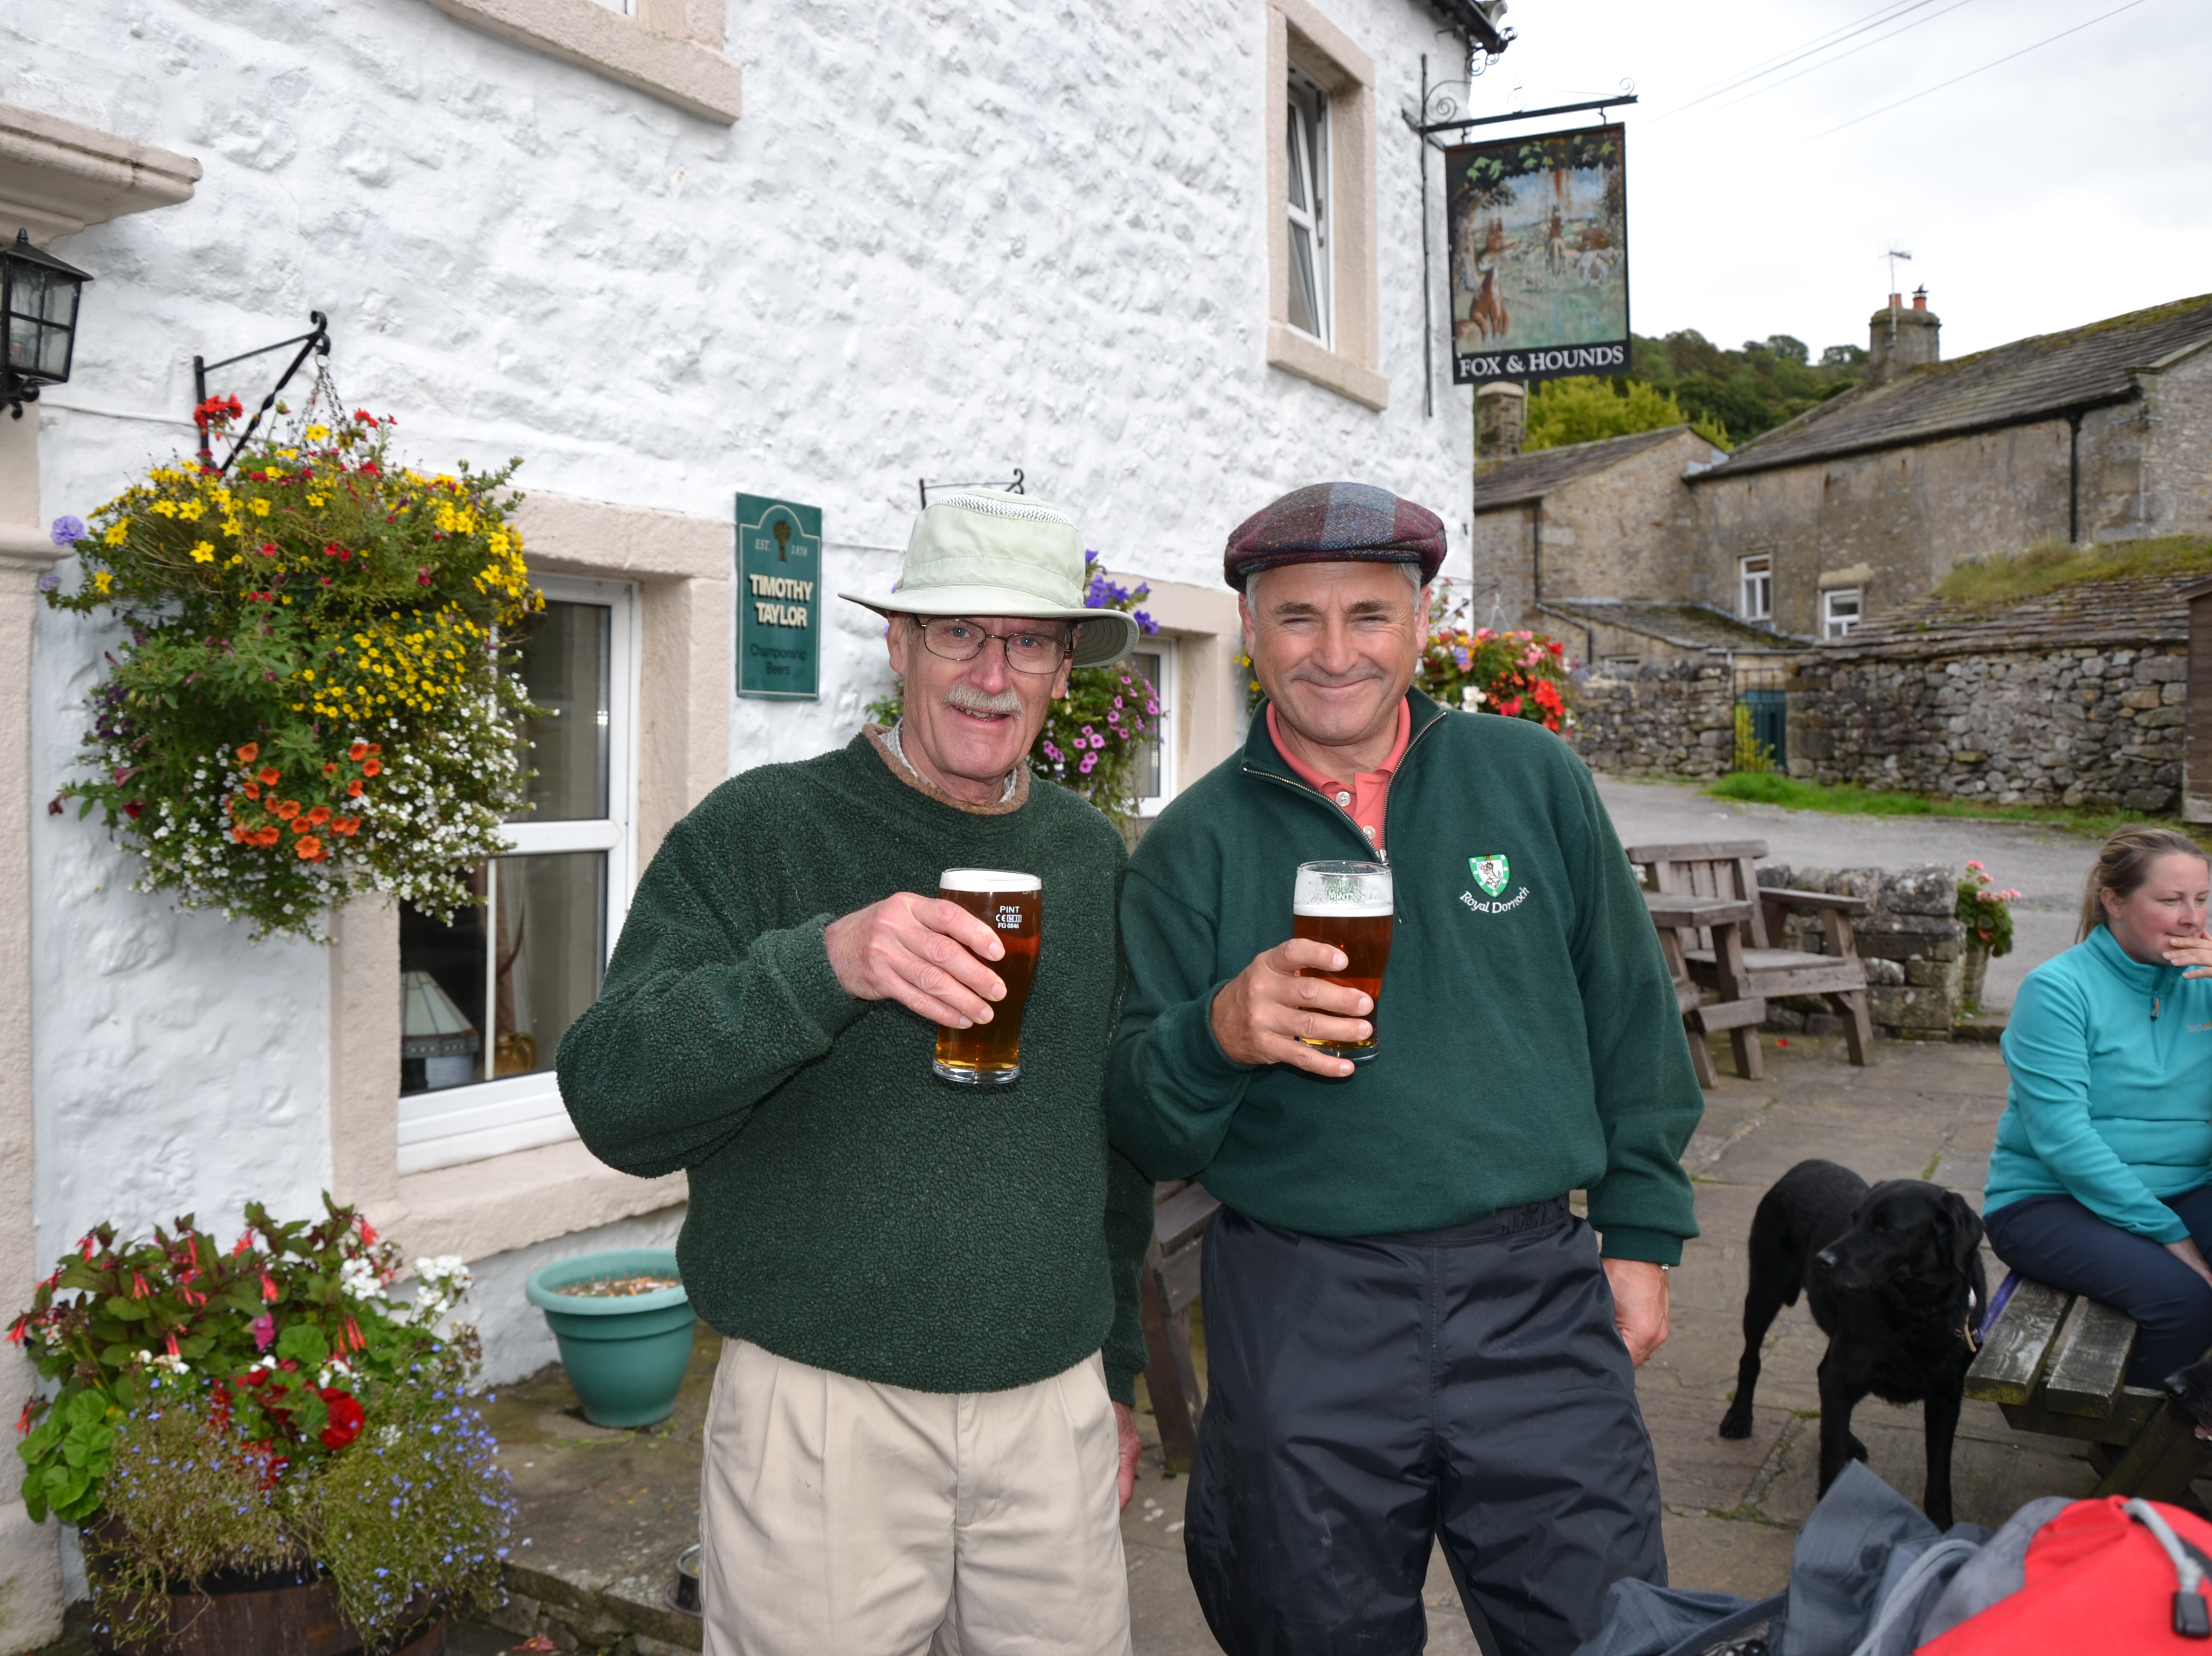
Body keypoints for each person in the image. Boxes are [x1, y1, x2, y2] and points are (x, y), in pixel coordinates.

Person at [1105, 480, 1703, 1656]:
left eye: (1369, 615)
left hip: (1534, 1286)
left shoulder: (1531, 778)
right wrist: (1214, 1033)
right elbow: (1141, 1121)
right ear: (1249, 636)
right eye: (1297, 619)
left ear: (1422, 623)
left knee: (1609, 1631)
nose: (1336, 654)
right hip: (1301, 1301)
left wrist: (1639, 1238)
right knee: (1307, 1629)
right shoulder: (1193, 846)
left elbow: (1631, 1020)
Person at [555, 486, 1153, 1656]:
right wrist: (824, 965)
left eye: (1028, 640)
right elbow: (612, 1096)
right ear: (898, 644)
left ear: (1062, 668)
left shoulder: (1087, 855)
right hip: (823, 1417)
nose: (993, 671)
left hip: (1051, 1411)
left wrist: (1116, 1372)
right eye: (957, 632)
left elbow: (1111, 1143)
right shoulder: (762, 831)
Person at [1984, 826, 2212, 1386]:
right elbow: (2064, 1140)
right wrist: (2172, 1237)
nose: (2193, 919)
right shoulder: (2058, 991)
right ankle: (2131, 1456)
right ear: (2113, 901)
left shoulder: (2207, 982)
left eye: (2203, 899)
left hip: (2186, 1185)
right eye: (2170, 900)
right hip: (2049, 1201)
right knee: (2184, 1301)